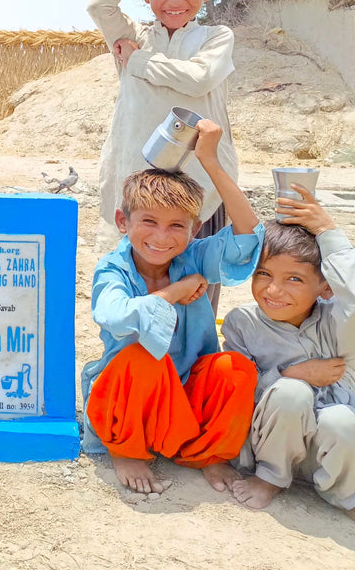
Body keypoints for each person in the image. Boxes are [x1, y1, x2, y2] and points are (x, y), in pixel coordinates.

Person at [80, 118, 263, 496]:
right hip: (130, 400)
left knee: (235, 369)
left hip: (185, 394)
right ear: (122, 221)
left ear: (195, 229)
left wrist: (210, 161)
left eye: (177, 226)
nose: (162, 238)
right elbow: (115, 316)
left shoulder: (196, 256)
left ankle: (205, 453)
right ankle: (126, 449)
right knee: (143, 357)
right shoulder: (113, 268)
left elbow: (246, 238)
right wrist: (176, 291)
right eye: (148, 221)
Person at [88, 0, 237, 314]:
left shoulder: (215, 38)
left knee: (196, 289)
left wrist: (137, 62)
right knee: (140, 282)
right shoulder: (133, 33)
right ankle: (139, 371)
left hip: (201, 185)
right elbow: (98, 4)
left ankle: (190, 373)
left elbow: (198, 78)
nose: (175, 0)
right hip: (140, 182)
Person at [221, 186, 355, 516]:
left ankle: (344, 494)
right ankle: (271, 478)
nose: (274, 289)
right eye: (263, 274)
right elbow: (239, 393)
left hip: (325, 451)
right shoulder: (242, 323)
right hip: (267, 446)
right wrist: (289, 374)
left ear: (325, 286)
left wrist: (327, 231)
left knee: (341, 419)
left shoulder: (338, 319)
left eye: (294, 278)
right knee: (292, 392)